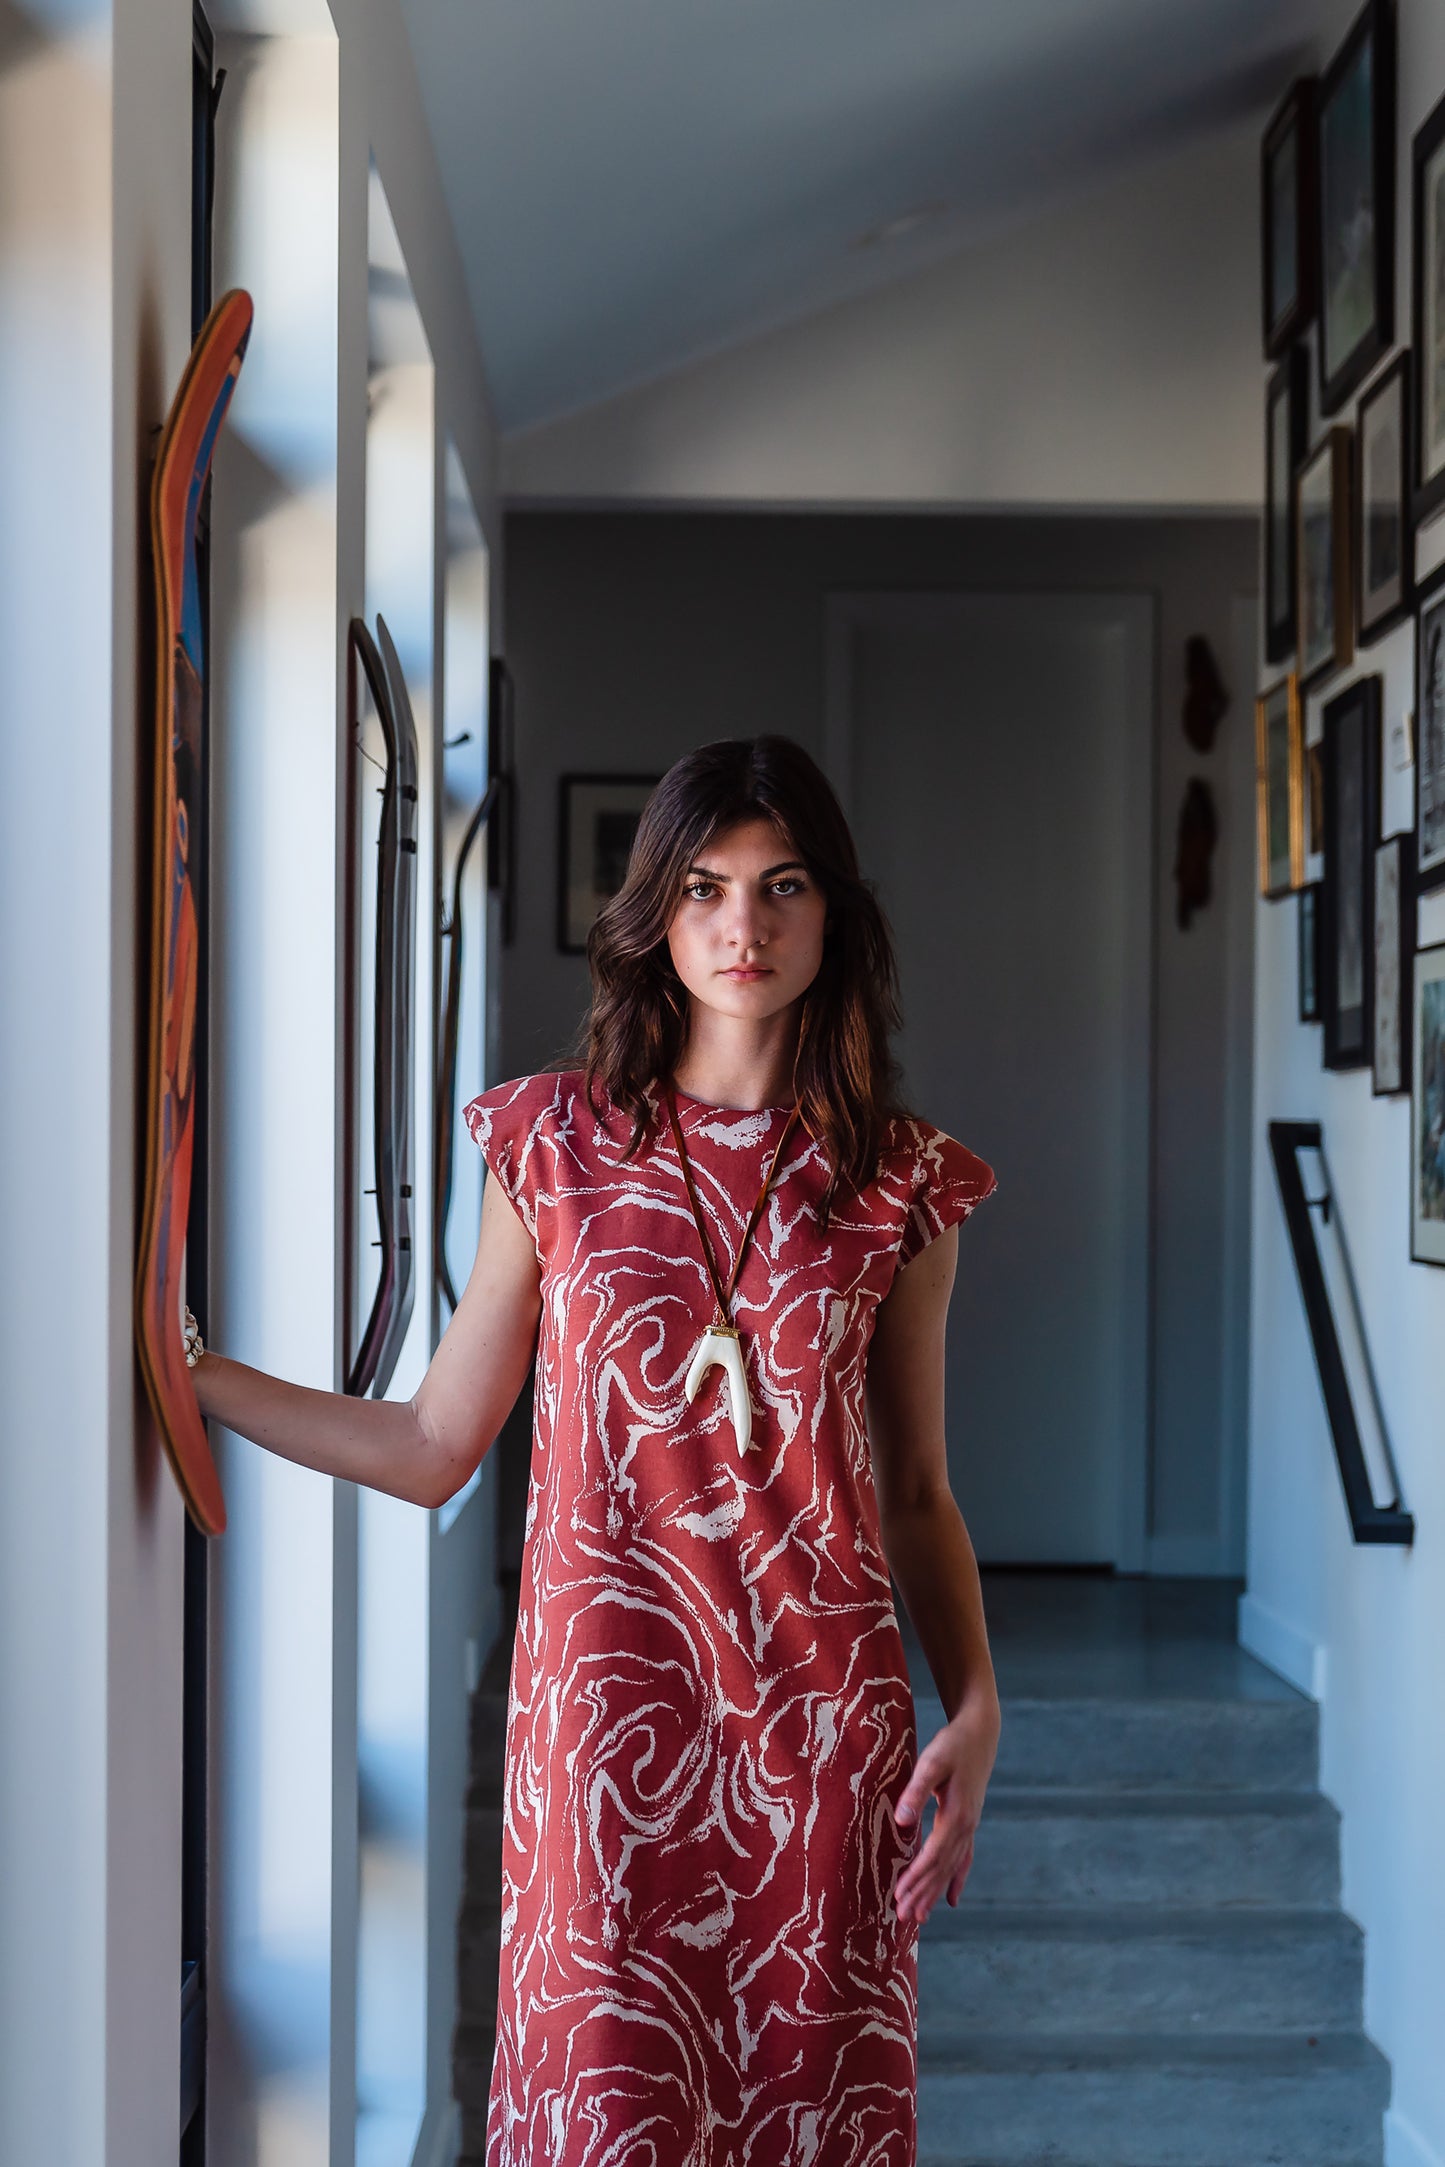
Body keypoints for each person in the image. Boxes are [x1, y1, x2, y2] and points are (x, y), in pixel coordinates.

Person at [193, 733, 1000, 2166]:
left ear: (837, 916)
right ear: (654, 917)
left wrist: (979, 1701)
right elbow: (441, 1441)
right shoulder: (551, 1145)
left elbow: (920, 1489)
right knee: (603, 2116)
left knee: (805, 2124)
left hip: (821, 1737)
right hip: (603, 1737)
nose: (741, 925)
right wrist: (192, 1376)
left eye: (781, 885)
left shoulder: (894, 1181)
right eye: (702, 888)